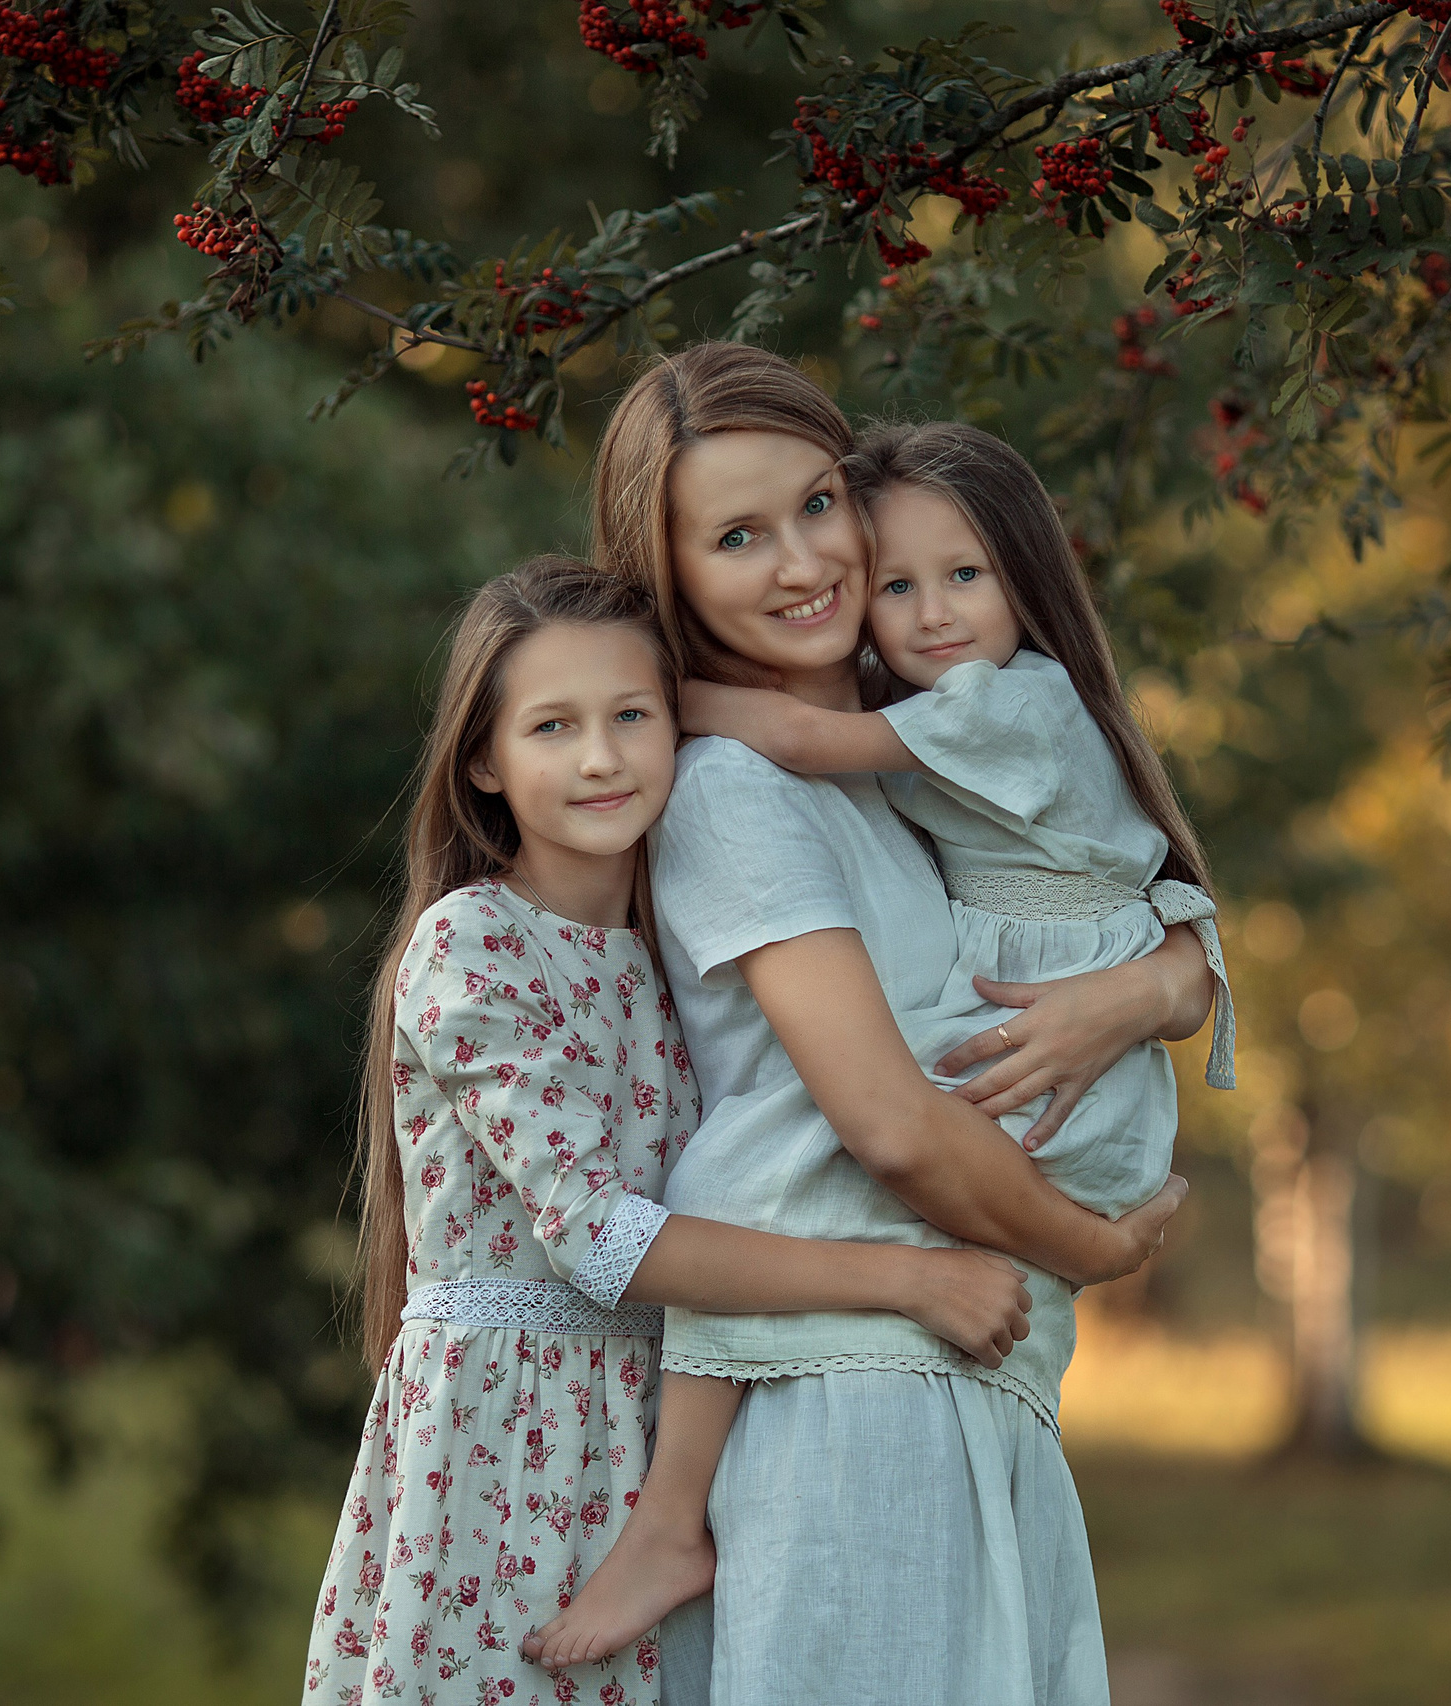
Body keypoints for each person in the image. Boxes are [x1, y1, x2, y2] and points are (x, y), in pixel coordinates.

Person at [532, 345, 1218, 1705]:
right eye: (738, 536)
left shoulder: (920, 771)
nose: (803, 562)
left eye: (818, 504)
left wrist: (1160, 984)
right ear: (673, 575)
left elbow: (1121, 884)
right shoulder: (733, 789)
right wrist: (1093, 1245)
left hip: (956, 1374)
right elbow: (893, 1126)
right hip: (857, 1400)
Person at [305, 555, 1087, 1706]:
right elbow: (599, 1239)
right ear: (484, 759)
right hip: (506, 1439)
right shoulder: (470, 943)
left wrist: (1162, 977)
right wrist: (906, 1280)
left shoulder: (681, 948)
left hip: (671, 1426)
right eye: (552, 726)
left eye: (633, 715)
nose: (600, 756)